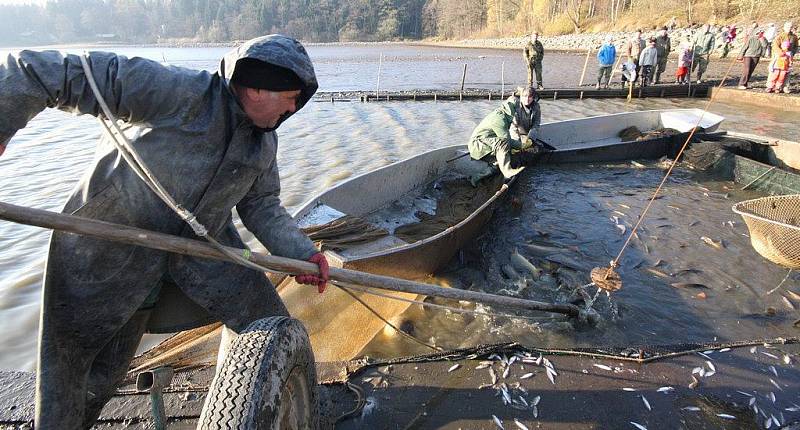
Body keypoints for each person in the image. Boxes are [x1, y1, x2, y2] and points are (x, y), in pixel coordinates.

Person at [0, 34, 331, 429]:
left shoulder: (263, 144)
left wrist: (302, 254)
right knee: (83, 374)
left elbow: (262, 207)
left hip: (204, 250)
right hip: (107, 248)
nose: (294, 108)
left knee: (269, 324)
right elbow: (34, 69)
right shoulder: (176, 92)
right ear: (258, 86)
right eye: (291, 97)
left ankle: (279, 408)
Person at [468, 86, 543, 185]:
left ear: (533, 98)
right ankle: (507, 172)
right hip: (479, 144)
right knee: (505, 145)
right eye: (524, 96)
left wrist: (530, 139)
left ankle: (476, 178)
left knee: (498, 163)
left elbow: (536, 125)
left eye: (530, 97)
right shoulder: (501, 117)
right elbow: (510, 133)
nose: (527, 99)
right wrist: (520, 146)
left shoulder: (535, 107)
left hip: (492, 140)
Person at [772, 21, 798, 93]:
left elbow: (796, 46)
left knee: (787, 72)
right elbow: (775, 45)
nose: (789, 28)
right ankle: (773, 86)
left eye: (790, 27)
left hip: (789, 56)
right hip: (779, 56)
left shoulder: (794, 37)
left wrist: (792, 53)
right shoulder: (780, 36)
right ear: (784, 27)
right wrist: (780, 53)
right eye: (787, 27)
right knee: (776, 72)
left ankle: (785, 87)